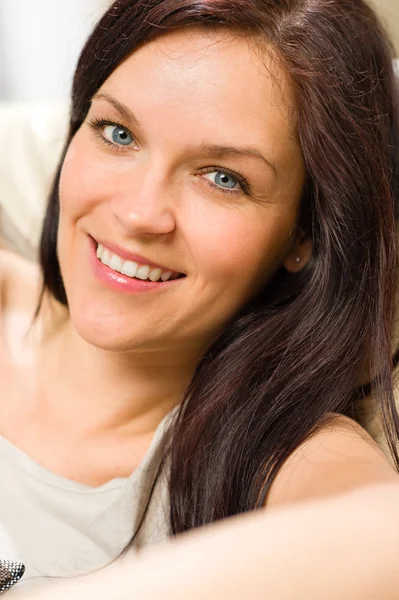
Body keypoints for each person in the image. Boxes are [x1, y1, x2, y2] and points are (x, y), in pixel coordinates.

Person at [1, 0, 399, 595]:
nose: (138, 214)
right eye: (118, 133)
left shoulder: (283, 458)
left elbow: (384, 538)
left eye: (223, 178)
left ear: (303, 235)